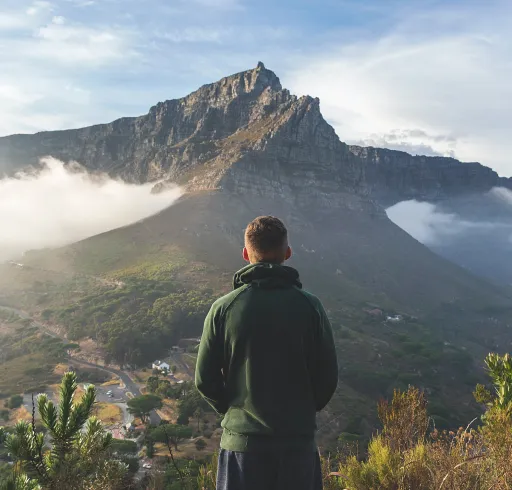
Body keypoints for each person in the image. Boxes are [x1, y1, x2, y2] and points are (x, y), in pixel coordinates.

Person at [195, 216, 338, 490]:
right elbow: (327, 377)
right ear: (287, 252)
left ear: (246, 253)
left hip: (242, 451)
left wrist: (234, 413)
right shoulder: (310, 307)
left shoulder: (224, 308)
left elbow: (204, 379)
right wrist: (302, 412)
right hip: (297, 448)